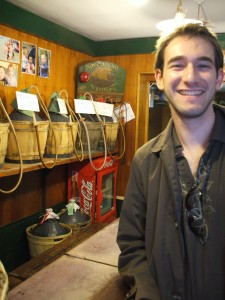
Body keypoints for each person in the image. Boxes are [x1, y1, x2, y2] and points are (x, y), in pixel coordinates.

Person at [117, 23, 225, 300]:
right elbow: (131, 246)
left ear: (219, 77)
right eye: (177, 65)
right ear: (160, 77)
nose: (190, 77)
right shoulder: (144, 161)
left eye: (203, 65)